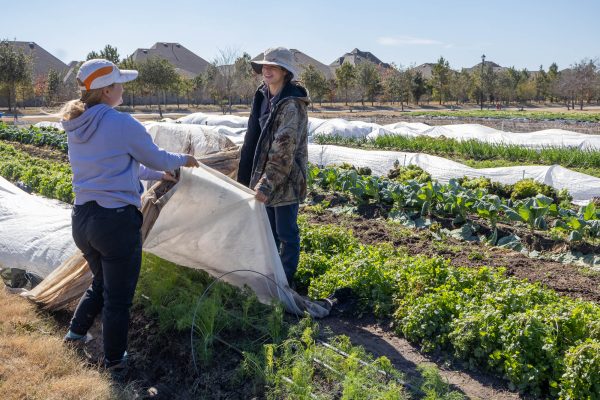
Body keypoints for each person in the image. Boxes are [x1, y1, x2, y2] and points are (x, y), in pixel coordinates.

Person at [59, 59, 199, 378]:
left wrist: (159, 175)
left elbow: (119, 164)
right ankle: (115, 362)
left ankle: (75, 334)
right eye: (119, 83)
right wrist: (183, 160)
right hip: (115, 223)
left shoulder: (78, 124)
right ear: (107, 90)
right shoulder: (121, 123)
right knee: (119, 298)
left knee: (101, 283)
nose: (123, 87)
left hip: (83, 220)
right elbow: (156, 156)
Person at [238, 47, 310, 285]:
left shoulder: (292, 105)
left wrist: (266, 184)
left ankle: (284, 282)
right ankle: (268, 276)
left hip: (286, 178)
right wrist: (247, 177)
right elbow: (253, 138)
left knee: (286, 233)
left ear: (285, 72)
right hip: (263, 175)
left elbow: (284, 150)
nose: (266, 70)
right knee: (267, 232)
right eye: (264, 66)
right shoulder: (262, 96)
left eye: (273, 67)